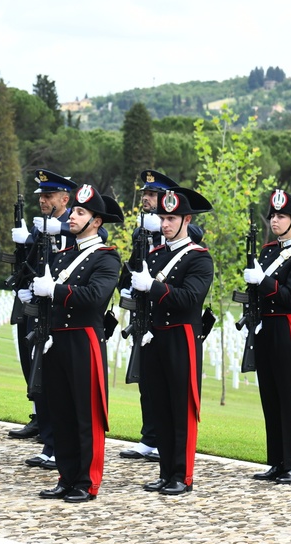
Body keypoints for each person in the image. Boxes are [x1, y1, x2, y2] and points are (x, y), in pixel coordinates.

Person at [25, 184, 122, 503]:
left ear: (96, 221)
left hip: (83, 341)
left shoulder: (106, 258)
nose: (73, 216)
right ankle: (66, 476)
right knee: (61, 411)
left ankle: (86, 481)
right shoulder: (63, 254)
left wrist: (54, 291)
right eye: (75, 210)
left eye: (81, 212)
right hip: (56, 340)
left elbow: (95, 298)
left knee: (85, 413)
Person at [130, 187, 213, 496]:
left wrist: (151, 286)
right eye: (162, 218)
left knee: (181, 407)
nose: (164, 224)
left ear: (186, 220)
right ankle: (166, 472)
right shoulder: (155, 255)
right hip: (155, 337)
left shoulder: (199, 259)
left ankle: (182, 475)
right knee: (160, 406)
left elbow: (190, 298)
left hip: (181, 337)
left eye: (171, 218)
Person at [248, 190, 291, 485]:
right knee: (271, 397)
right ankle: (277, 462)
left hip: (286, 328)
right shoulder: (266, 251)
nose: (275, 220)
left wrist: (262, 281)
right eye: (273, 216)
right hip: (265, 327)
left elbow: (290, 297)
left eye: (281, 216)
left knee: (290, 398)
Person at [10, 169, 76, 471]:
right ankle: (48, 441)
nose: (43, 201)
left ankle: (55, 445)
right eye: (42, 196)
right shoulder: (41, 226)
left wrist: (58, 230)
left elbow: (95, 238)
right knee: (37, 375)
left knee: (53, 380)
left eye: (49, 196)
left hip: (58, 312)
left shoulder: (74, 224)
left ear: (65, 198)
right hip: (35, 309)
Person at [118, 170, 179, 463]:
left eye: (152, 195)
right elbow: (133, 263)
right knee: (146, 378)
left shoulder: (180, 229)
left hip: (167, 311)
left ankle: (163, 440)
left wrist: (159, 231)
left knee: (165, 380)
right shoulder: (141, 229)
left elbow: (192, 241)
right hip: (144, 310)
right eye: (145, 194)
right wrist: (125, 286)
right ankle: (149, 437)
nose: (146, 199)